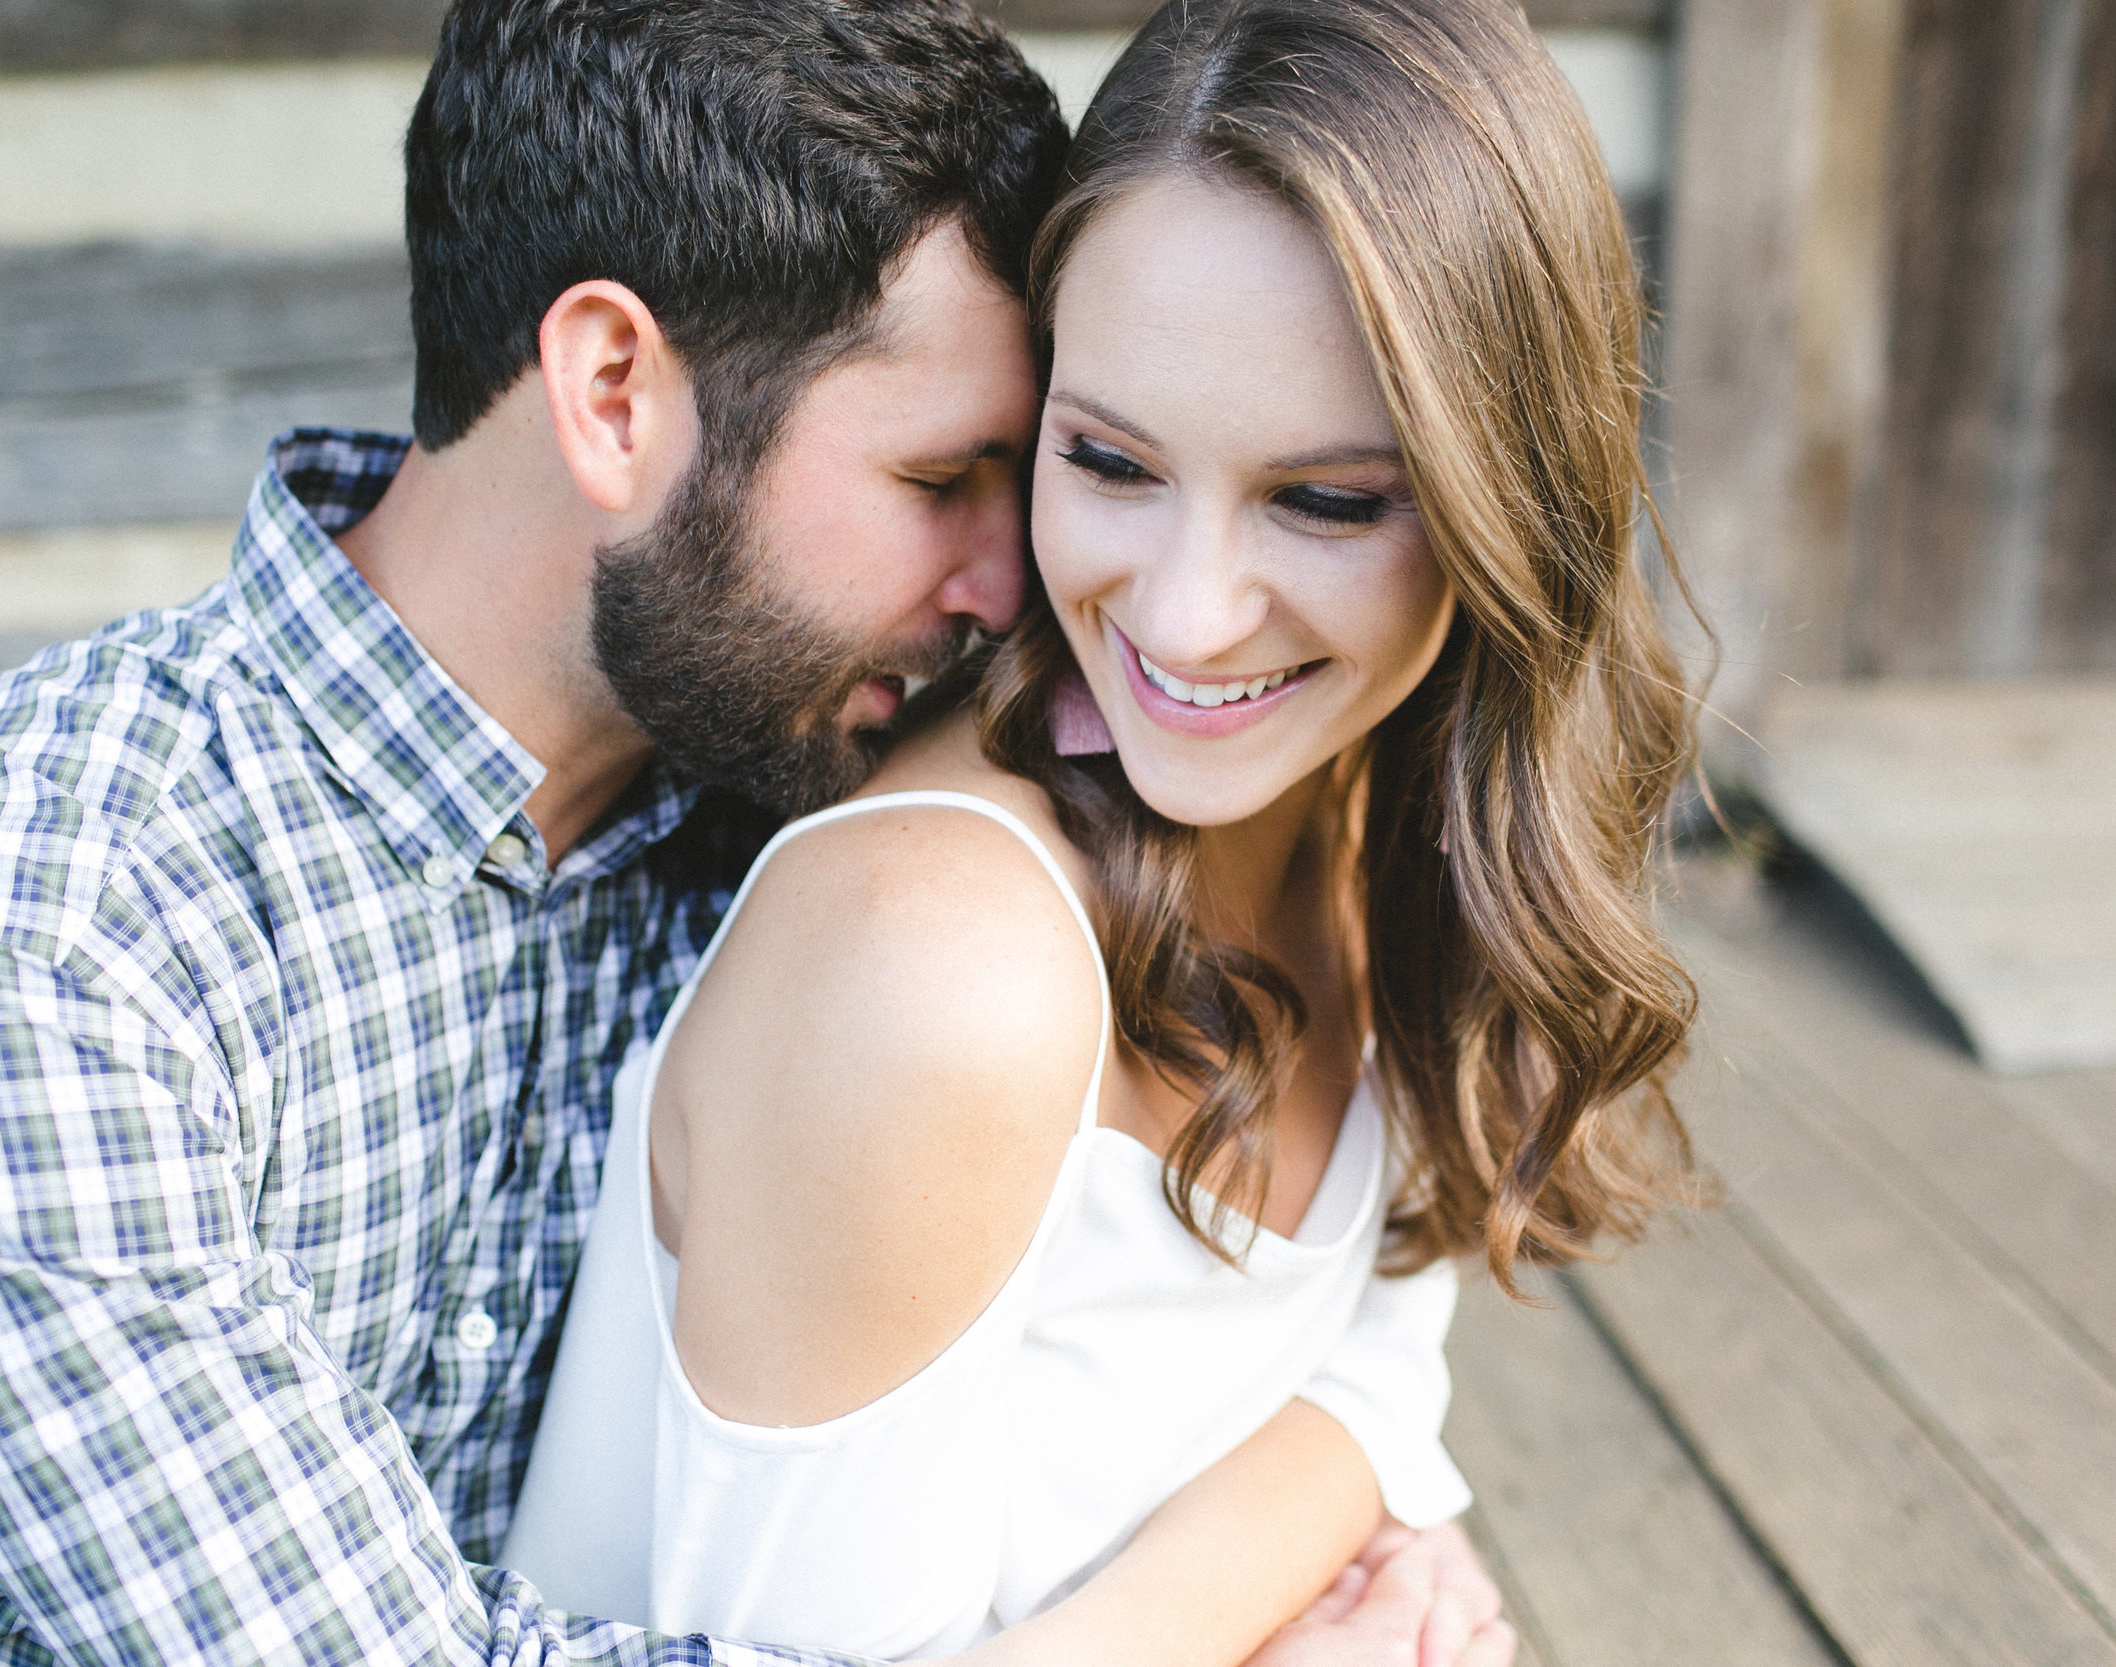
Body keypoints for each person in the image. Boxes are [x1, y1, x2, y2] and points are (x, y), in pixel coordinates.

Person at [0, 2, 1486, 1661]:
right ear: (614, 390)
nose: (1010, 591)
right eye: (939, 480)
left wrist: (1337, 1509)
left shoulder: (790, 778)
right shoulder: (32, 926)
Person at [502, 0, 1701, 1663]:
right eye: (1112, 461)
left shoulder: (1352, 789)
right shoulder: (942, 965)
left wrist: (1335, 1510)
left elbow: (1371, 1373)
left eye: (1329, 499)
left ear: (1511, 497)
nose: (1193, 621)